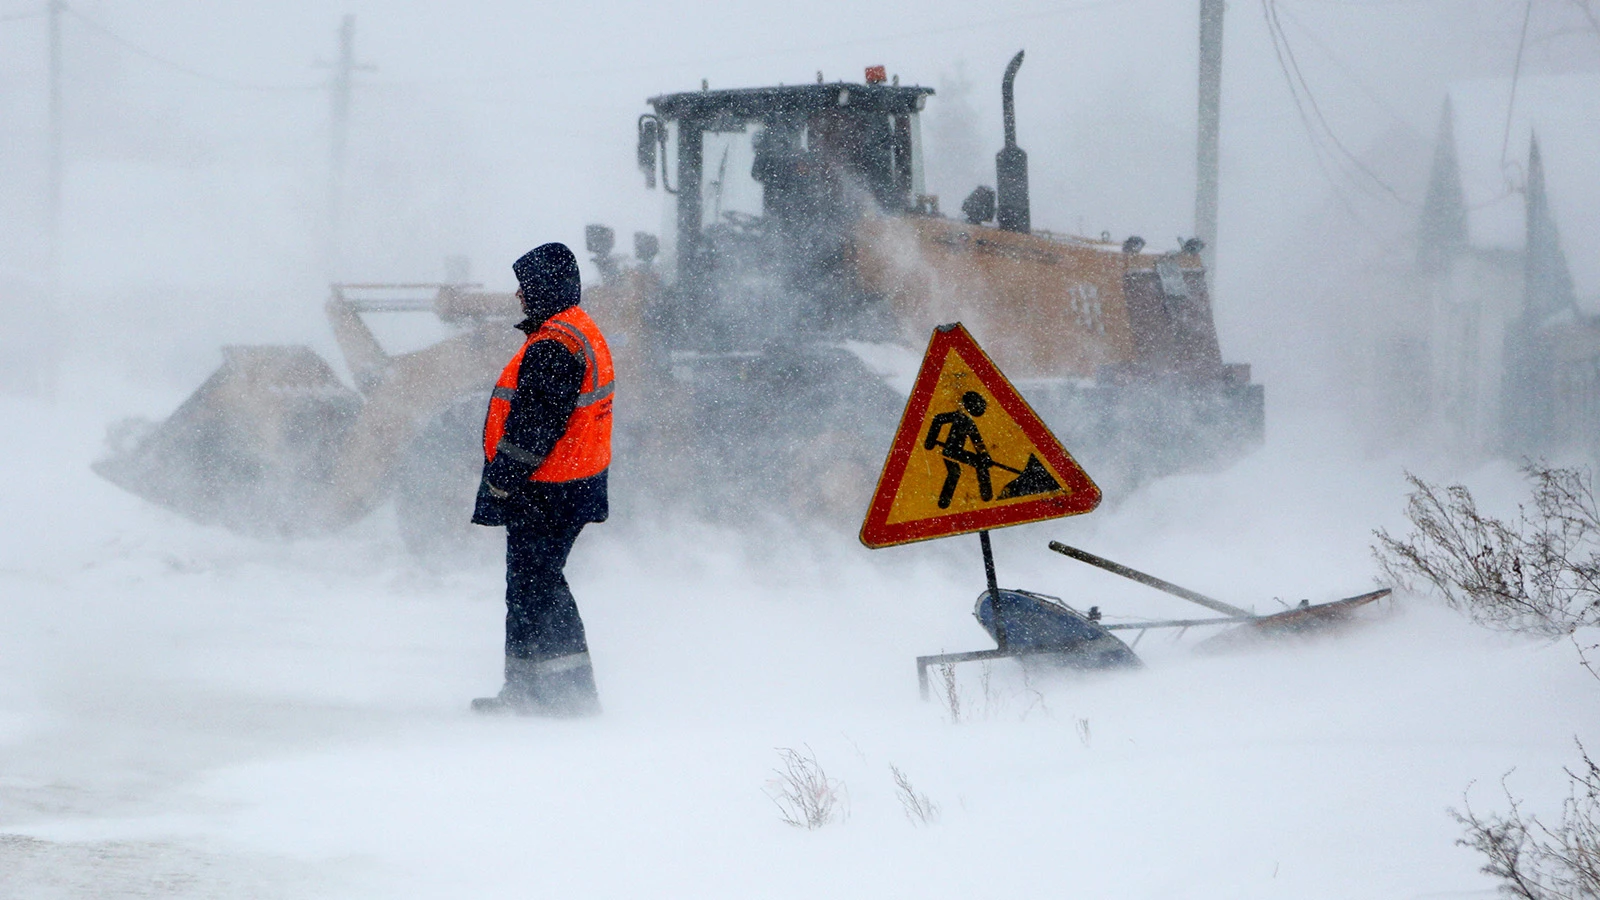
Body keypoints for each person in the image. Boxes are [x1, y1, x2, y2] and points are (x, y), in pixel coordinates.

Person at [470, 242, 613, 716]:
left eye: (524, 285)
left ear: (544, 288)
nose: (518, 294)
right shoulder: (577, 330)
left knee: (534, 588)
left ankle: (554, 698)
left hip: (547, 490)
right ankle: (545, 694)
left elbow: (533, 430)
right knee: (537, 585)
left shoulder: (553, 345)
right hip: (572, 484)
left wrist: (500, 483)